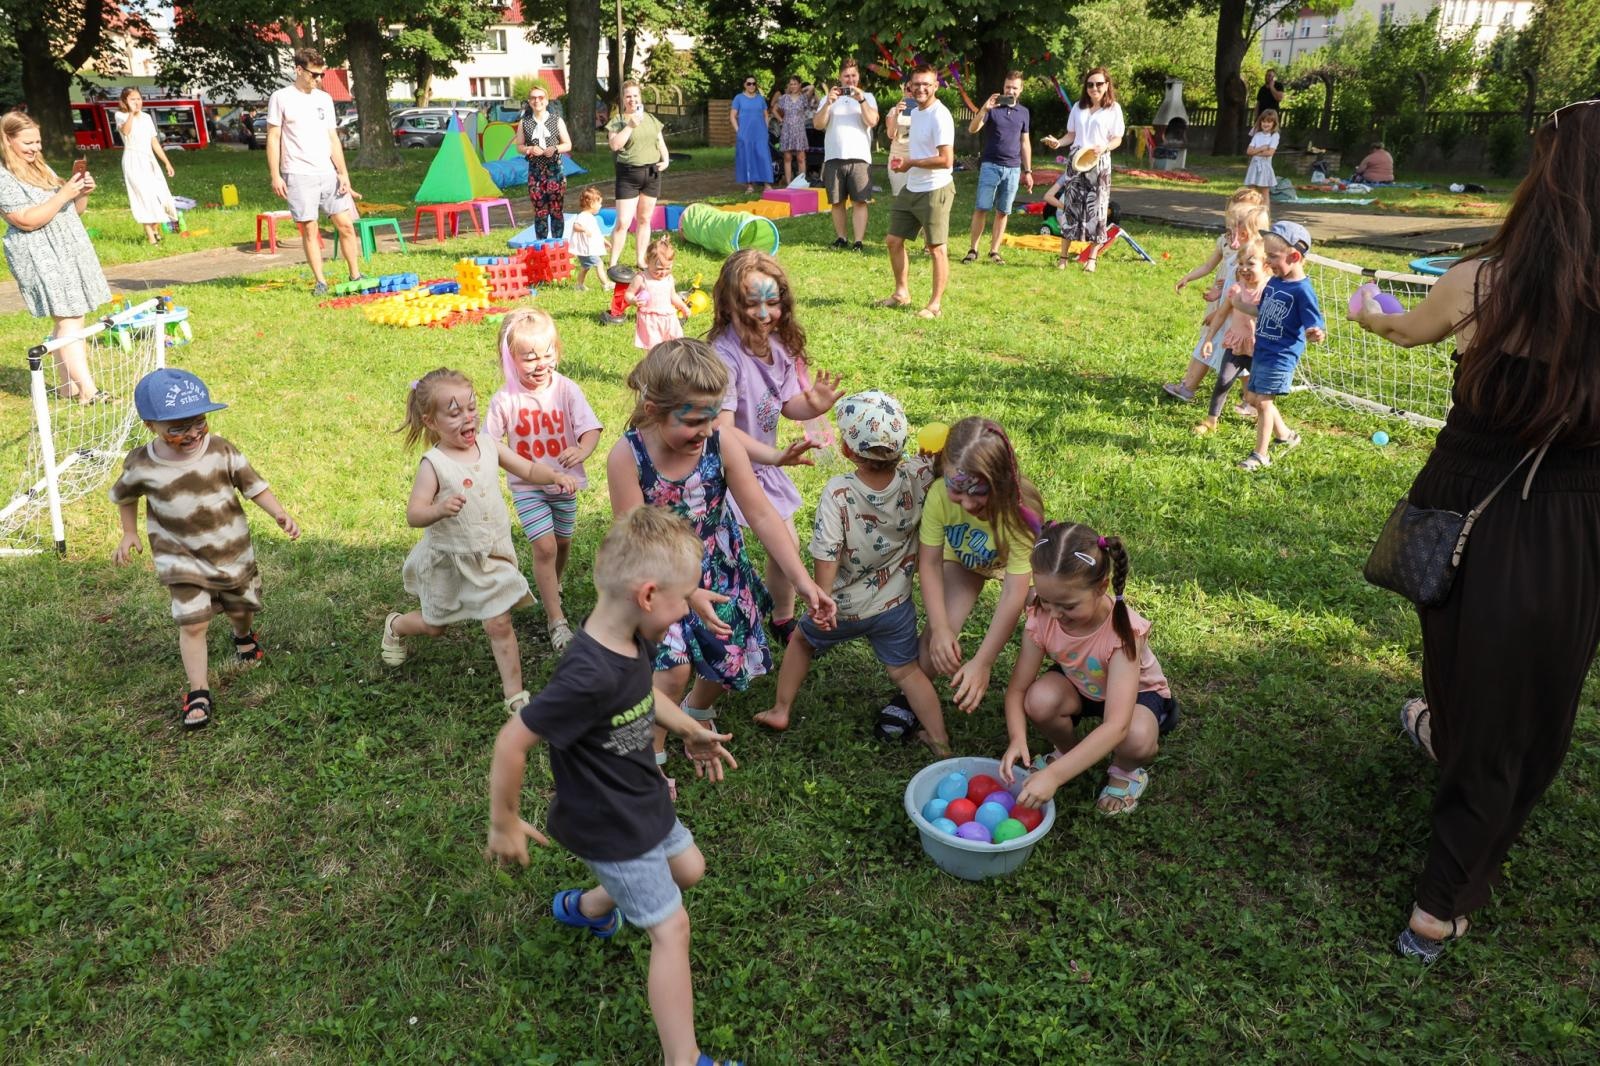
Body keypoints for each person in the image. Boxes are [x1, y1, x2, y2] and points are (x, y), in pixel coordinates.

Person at [1348, 101, 1600, 964]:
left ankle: (1440, 890)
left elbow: (1396, 325)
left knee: (1467, 666)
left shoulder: (1480, 282)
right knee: (1525, 702)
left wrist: (1363, 303)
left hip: (1462, 511)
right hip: (1567, 524)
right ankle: (1443, 884)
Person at [485, 506, 745, 1066]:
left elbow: (644, 700)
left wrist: (689, 728)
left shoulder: (631, 633)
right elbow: (512, 742)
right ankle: (686, 1060)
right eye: (682, 601)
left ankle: (590, 906)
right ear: (648, 596)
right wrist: (504, 819)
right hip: (609, 822)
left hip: (640, 797)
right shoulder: (586, 674)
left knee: (689, 869)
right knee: (672, 928)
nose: (685, 612)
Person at [605, 340, 835, 799]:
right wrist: (685, 592)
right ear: (653, 410)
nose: (705, 430)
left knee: (724, 656)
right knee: (670, 670)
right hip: (656, 573)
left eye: (711, 417)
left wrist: (804, 582)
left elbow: (764, 515)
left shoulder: (721, 441)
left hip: (718, 563)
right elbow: (636, 539)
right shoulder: (627, 457)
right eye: (692, 420)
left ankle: (699, 714)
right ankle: (651, 757)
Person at [755, 391, 949, 753]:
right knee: (906, 672)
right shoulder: (919, 476)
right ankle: (940, 739)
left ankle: (782, 709)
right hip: (895, 606)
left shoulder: (839, 493)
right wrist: (932, 457)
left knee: (801, 641)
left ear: (847, 450)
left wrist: (821, 599)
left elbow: (827, 551)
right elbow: (940, 460)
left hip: (840, 607)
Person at [110, 368, 301, 730]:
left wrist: (279, 514)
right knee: (193, 622)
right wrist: (128, 533)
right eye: (177, 428)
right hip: (178, 557)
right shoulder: (141, 463)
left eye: (198, 422)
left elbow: (253, 485)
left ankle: (243, 635)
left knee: (241, 608)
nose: (192, 433)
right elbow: (125, 496)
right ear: (151, 425)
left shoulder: (221, 450)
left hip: (231, 550)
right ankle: (199, 690)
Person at [380, 368, 578, 715]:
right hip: (450, 560)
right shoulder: (434, 464)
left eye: (471, 408)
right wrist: (439, 509)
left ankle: (515, 695)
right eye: (454, 413)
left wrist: (555, 476)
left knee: (498, 623)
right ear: (431, 420)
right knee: (435, 626)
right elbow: (414, 514)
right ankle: (396, 624)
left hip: (490, 556)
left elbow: (528, 469)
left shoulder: (488, 444)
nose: (467, 418)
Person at [708, 249, 845, 643]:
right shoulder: (724, 356)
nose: (764, 314)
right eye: (752, 304)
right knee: (722, 556)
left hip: (764, 466)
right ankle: (721, 620)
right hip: (721, 471)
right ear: (729, 304)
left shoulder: (778, 346)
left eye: (773, 303)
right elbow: (724, 432)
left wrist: (812, 405)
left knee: (787, 544)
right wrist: (774, 456)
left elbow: (787, 405)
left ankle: (782, 617)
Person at [874, 417, 1042, 737]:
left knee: (1050, 612)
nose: (966, 504)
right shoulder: (938, 495)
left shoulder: (1022, 513)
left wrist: (983, 661)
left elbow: (1013, 593)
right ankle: (911, 699)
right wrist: (939, 629)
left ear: (1002, 481)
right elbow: (930, 563)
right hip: (964, 560)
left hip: (1017, 564)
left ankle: (1068, 680)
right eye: (957, 491)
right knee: (936, 645)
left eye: (978, 493)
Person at [998, 522, 1179, 815]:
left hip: (1136, 697)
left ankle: (1125, 772)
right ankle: (1070, 754)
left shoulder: (1123, 633)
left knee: (1135, 737)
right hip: (1081, 684)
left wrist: (1054, 777)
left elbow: (1116, 725)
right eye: (1046, 600)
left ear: (1101, 587)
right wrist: (1017, 738)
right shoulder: (1044, 614)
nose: (1055, 614)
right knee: (1038, 700)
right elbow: (1018, 688)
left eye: (1068, 605)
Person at [485, 310, 603, 654]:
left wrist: (582, 450)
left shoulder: (566, 389)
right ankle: (557, 619)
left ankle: (554, 583)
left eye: (548, 353)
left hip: (565, 485)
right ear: (510, 358)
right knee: (545, 547)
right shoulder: (505, 399)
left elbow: (590, 429)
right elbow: (488, 441)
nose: (541, 363)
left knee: (563, 544)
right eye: (530, 357)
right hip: (528, 489)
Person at [0, 111, 110, 403]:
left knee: (71, 316)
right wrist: (63, 194)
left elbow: (72, 212)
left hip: (66, 247)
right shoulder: (3, 176)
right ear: (7, 140)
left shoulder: (39, 166)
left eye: (37, 141)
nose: (35, 148)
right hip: (40, 253)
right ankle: (89, 391)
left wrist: (81, 193)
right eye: (27, 143)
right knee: (70, 316)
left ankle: (67, 387)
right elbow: (24, 220)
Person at [266, 48, 363, 296]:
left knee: (346, 226)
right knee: (310, 229)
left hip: (328, 173)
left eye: (322, 75)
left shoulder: (324, 99)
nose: (319, 80)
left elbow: (332, 138)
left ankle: (356, 275)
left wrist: (343, 174)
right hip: (298, 173)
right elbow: (274, 137)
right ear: (299, 69)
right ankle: (321, 281)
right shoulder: (281, 97)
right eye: (314, 74)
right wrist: (275, 175)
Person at [1162, 190, 1270, 401]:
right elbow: (1228, 284)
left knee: (1240, 358)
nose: (1233, 236)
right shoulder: (1238, 258)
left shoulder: (1248, 264)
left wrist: (1218, 313)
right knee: (1216, 350)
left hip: (1236, 319)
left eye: (1239, 232)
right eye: (1230, 230)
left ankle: (1252, 401)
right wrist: (1217, 292)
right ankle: (1188, 387)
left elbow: (1241, 294)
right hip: (1226, 314)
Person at [1237, 220, 1326, 471]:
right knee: (1253, 399)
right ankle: (1286, 435)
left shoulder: (1302, 290)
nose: (1268, 262)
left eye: (1273, 257)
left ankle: (1260, 455)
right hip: (1263, 350)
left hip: (1281, 355)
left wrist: (1316, 333)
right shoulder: (1275, 282)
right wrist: (1240, 304)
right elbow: (1263, 310)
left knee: (1263, 402)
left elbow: (1314, 321)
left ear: (1295, 256)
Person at [878, 65, 955, 320]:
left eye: (926, 84)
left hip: (935, 188)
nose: (920, 88)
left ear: (935, 86)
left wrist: (911, 163)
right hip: (913, 185)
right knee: (893, 240)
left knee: (936, 248)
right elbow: (921, 149)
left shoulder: (939, 115)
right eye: (916, 84)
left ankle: (935, 305)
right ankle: (901, 293)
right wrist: (905, 164)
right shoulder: (916, 112)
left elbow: (946, 160)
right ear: (909, 87)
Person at [1042, 68, 1125, 273]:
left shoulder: (1113, 108)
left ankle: (1092, 259)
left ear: (1107, 85)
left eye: (1098, 84)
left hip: (1099, 160)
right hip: (1077, 161)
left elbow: (1117, 138)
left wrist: (1105, 147)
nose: (1094, 88)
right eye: (1090, 84)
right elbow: (1071, 135)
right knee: (1070, 207)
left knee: (1098, 207)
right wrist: (1058, 142)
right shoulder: (1078, 108)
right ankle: (1063, 258)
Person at [1193, 238, 1269, 436]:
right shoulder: (1236, 289)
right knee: (1223, 381)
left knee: (1258, 393)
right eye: (1241, 263)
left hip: (1258, 350)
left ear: (1266, 265)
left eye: (1250, 263)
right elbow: (1221, 314)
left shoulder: (1269, 292)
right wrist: (1209, 338)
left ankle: (1266, 421)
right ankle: (1211, 421)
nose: (1243, 268)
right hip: (1235, 346)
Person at [962, 71, 1033, 266]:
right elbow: (972, 129)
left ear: (1021, 90)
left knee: (1003, 211)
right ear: (1003, 87)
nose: (1010, 90)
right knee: (981, 207)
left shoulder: (1024, 112)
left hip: (1013, 168)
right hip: (990, 165)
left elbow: (1025, 142)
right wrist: (985, 109)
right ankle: (973, 249)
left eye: (1014, 88)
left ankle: (994, 251)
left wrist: (1028, 171)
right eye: (1007, 87)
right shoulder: (992, 109)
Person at [606, 81, 670, 271]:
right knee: (623, 221)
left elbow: (660, 142)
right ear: (623, 100)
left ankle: (641, 259)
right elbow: (615, 145)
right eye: (628, 96)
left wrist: (665, 160)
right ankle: (613, 263)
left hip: (651, 173)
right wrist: (630, 125)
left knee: (644, 219)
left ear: (640, 97)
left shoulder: (650, 119)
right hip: (628, 174)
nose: (632, 100)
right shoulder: (617, 121)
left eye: (635, 96)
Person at [814, 59, 878, 251]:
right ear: (840, 77)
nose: (850, 80)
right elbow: (818, 124)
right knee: (837, 201)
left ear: (858, 76)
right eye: (846, 76)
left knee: (860, 201)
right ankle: (841, 238)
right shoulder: (828, 98)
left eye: (853, 76)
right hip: (834, 156)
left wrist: (861, 100)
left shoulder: (867, 96)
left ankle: (858, 241)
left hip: (859, 157)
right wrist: (828, 104)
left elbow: (872, 120)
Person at [115, 88, 178, 245]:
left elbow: (154, 142)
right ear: (125, 101)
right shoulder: (120, 115)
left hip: (148, 159)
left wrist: (166, 162)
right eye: (132, 99)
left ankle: (155, 229)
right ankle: (151, 238)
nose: (137, 102)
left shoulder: (147, 117)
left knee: (158, 194)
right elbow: (126, 132)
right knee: (143, 197)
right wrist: (131, 113)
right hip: (132, 159)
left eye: (139, 98)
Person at [516, 83, 573, 241]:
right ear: (529, 101)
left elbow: (568, 144)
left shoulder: (556, 120)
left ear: (546, 101)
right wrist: (529, 149)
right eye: (533, 98)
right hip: (535, 171)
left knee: (556, 209)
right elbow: (519, 146)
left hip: (555, 170)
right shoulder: (524, 122)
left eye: (540, 98)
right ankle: (541, 247)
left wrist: (554, 148)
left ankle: (557, 245)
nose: (537, 101)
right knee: (540, 211)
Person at [626, 234, 689, 350]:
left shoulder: (669, 279)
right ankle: (653, 367)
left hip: (669, 318)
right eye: (659, 269)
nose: (663, 273)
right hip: (650, 320)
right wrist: (633, 300)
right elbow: (628, 294)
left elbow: (673, 296)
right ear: (647, 262)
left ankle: (671, 366)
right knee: (654, 350)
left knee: (674, 347)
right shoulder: (641, 278)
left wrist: (683, 307)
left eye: (668, 268)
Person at [729, 75, 770, 194]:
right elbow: (732, 116)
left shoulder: (760, 99)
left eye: (753, 83)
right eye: (749, 83)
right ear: (744, 85)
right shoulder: (738, 98)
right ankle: (750, 186)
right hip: (745, 134)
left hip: (760, 133)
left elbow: (766, 115)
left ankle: (767, 184)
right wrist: (738, 130)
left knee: (764, 157)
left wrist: (765, 129)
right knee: (747, 157)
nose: (751, 86)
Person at [773, 76, 813, 186]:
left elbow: (811, 87)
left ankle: (802, 182)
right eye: (791, 84)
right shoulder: (784, 98)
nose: (793, 86)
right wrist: (781, 120)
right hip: (787, 129)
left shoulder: (803, 98)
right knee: (787, 157)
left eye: (795, 83)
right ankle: (789, 183)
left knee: (801, 157)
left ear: (800, 84)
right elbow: (774, 109)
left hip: (799, 130)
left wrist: (801, 90)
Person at [569, 185, 608, 290]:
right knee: (599, 264)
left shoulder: (590, 217)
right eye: (599, 203)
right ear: (591, 203)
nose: (600, 205)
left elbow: (596, 233)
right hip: (587, 250)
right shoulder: (583, 216)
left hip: (587, 250)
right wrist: (584, 229)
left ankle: (579, 285)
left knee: (585, 267)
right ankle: (606, 284)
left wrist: (604, 241)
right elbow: (575, 226)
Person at [1244, 109, 1280, 201]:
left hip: (1265, 167)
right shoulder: (1257, 135)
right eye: (1263, 121)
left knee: (1264, 193)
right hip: (1254, 166)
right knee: (1251, 192)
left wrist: (1255, 152)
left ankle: (1265, 214)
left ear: (1274, 123)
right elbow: (1248, 151)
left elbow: (1270, 153)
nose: (1265, 124)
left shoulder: (1274, 135)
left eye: (1269, 122)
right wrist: (1261, 148)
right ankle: (1252, 213)